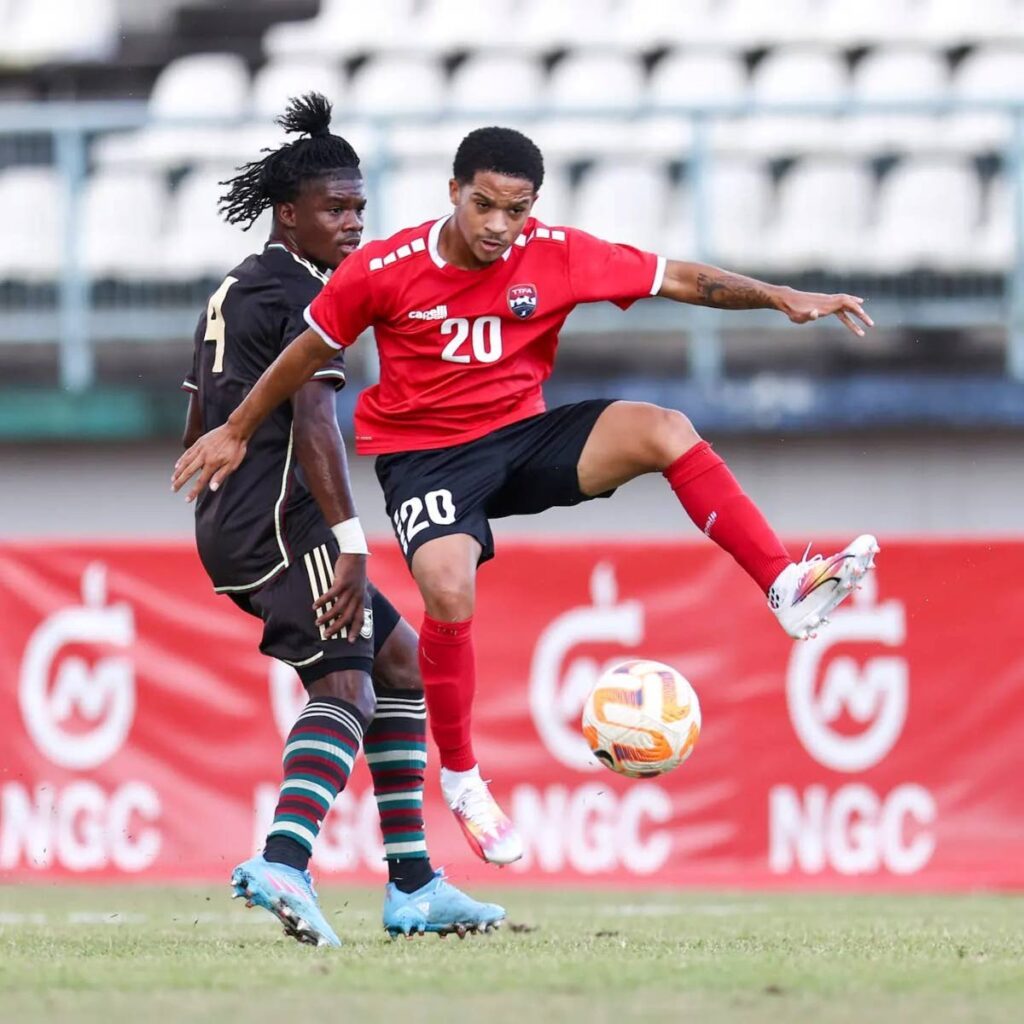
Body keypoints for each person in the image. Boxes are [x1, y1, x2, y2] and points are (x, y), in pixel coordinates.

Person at [173, 125, 879, 869]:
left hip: (520, 440)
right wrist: (238, 428)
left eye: (517, 209)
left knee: (665, 429)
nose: (499, 227)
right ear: (454, 193)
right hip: (428, 462)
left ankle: (784, 587)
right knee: (446, 584)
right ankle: (466, 780)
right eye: (484, 206)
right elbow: (306, 355)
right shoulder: (386, 267)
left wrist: (780, 298)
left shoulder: (556, 253)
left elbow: (677, 278)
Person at [180, 94, 503, 944]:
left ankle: (413, 886)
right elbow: (319, 423)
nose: (354, 222)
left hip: (242, 517)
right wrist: (351, 544)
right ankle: (283, 860)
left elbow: (200, 412)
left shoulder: (233, 288)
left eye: (360, 206)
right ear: (290, 214)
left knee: (399, 664)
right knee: (347, 687)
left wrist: (212, 488)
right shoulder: (302, 296)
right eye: (336, 208)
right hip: (287, 521)